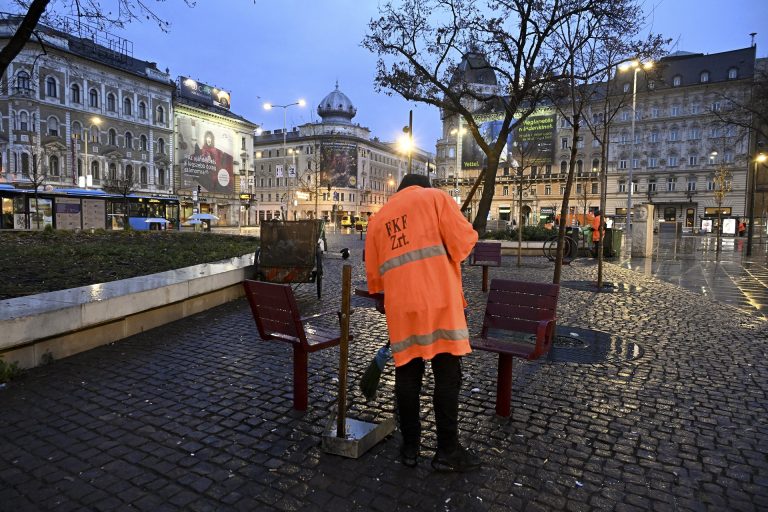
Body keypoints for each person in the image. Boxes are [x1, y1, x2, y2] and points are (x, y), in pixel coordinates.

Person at [364, 174, 480, 472]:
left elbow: (376, 282)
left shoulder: (378, 219)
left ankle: (410, 449)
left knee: (407, 376)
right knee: (446, 376)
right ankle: (447, 452)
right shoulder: (436, 198)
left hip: (402, 309)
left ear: (400, 190)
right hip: (440, 303)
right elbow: (464, 243)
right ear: (423, 185)